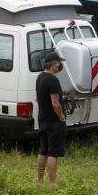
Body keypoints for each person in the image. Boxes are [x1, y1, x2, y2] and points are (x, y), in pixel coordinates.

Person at [35, 51, 66, 187]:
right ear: (53, 64)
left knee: (43, 151)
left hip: (42, 119)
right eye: (58, 63)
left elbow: (37, 98)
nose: (59, 65)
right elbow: (55, 103)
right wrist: (61, 116)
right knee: (53, 153)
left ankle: (40, 180)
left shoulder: (40, 77)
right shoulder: (53, 80)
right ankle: (53, 183)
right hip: (54, 121)